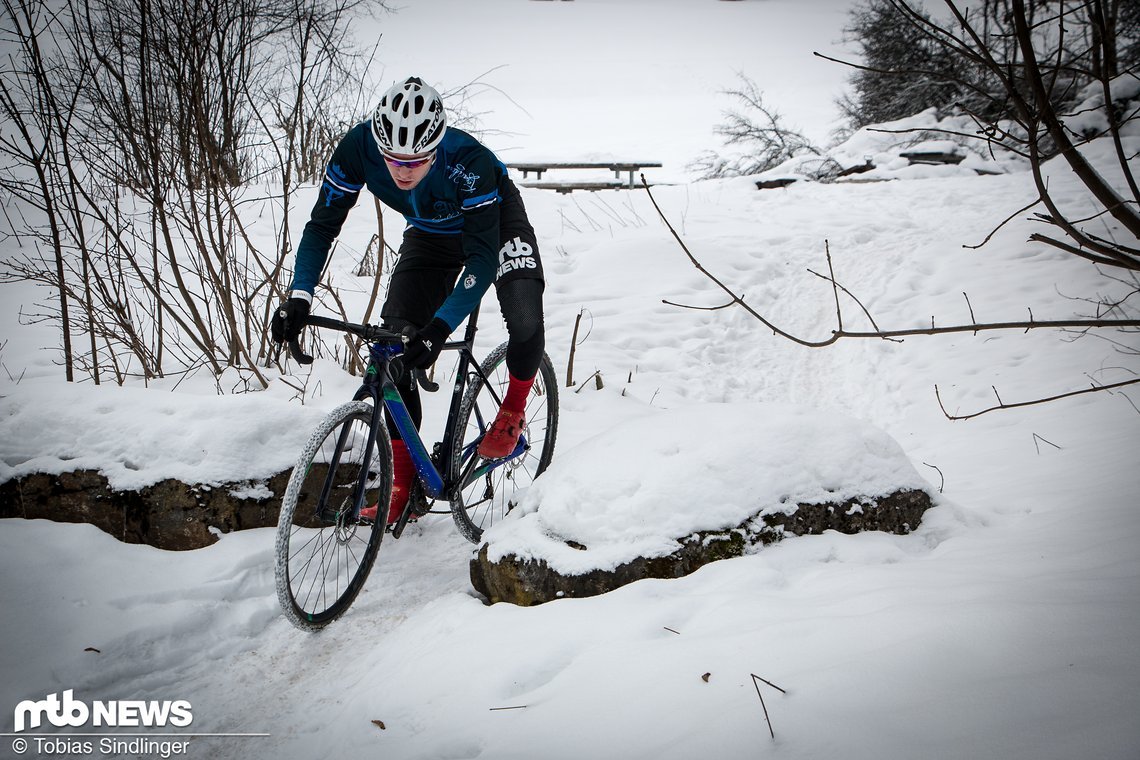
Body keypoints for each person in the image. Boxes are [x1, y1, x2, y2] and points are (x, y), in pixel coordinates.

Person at [271, 76, 546, 525]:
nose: (402, 170)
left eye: (416, 160)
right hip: (430, 236)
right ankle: (405, 485)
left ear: (436, 147)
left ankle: (512, 412)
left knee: (524, 316)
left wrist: (439, 329)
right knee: (392, 353)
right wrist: (299, 294)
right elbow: (321, 225)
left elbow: (479, 259)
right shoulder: (356, 148)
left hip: (495, 223)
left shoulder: (468, 162)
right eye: (393, 159)